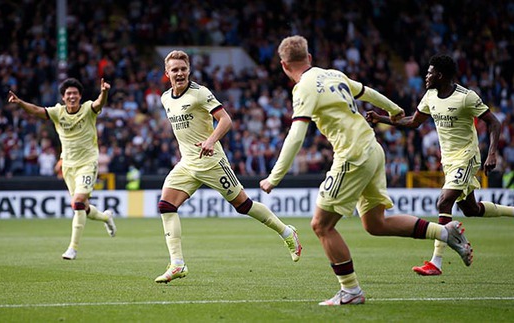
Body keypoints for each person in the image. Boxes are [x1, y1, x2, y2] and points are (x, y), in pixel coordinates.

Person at [260, 35, 472, 306]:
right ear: (309, 58)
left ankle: (350, 291)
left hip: (352, 155)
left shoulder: (303, 88)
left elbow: (296, 135)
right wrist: (394, 110)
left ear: (283, 65)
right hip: (372, 149)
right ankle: (444, 232)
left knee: (321, 225)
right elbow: (367, 92)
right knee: (375, 223)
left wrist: (274, 176)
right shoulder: (333, 74)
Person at [154, 50, 302, 284]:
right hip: (187, 164)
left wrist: (211, 140)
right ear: (167, 73)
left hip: (212, 162)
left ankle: (286, 232)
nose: (179, 73)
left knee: (243, 205)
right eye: (175, 69)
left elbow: (226, 120)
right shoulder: (165, 98)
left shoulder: (200, 93)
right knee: (166, 205)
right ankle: (177, 264)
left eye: (183, 69)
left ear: (189, 70)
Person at [366, 54, 514, 276]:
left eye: (430, 72)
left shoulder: (466, 97)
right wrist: (381, 118)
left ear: (441, 75)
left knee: (444, 202)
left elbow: (494, 123)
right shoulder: (430, 96)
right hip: (449, 160)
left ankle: (436, 262)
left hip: (467, 156)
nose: (426, 76)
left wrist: (491, 153)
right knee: (470, 209)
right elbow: (413, 122)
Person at [8, 78, 117, 260]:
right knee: (83, 207)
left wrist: (104, 92)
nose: (72, 96)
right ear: (63, 97)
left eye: (75, 93)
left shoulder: (88, 109)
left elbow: (99, 103)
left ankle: (72, 248)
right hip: (68, 165)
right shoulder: (58, 112)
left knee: (79, 202)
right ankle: (106, 218)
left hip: (87, 164)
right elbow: (36, 110)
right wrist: (20, 103)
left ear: (80, 96)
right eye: (68, 94)